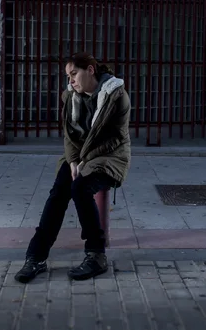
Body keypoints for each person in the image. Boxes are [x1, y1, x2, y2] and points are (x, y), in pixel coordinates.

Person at [14, 52, 131, 283]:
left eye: (74, 74)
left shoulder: (116, 96)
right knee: (59, 192)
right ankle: (35, 257)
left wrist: (85, 161)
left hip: (109, 157)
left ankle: (96, 255)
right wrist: (74, 161)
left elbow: (115, 138)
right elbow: (69, 135)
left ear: (90, 70)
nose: (71, 81)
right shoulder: (70, 97)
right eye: (68, 76)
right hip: (80, 157)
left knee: (80, 188)